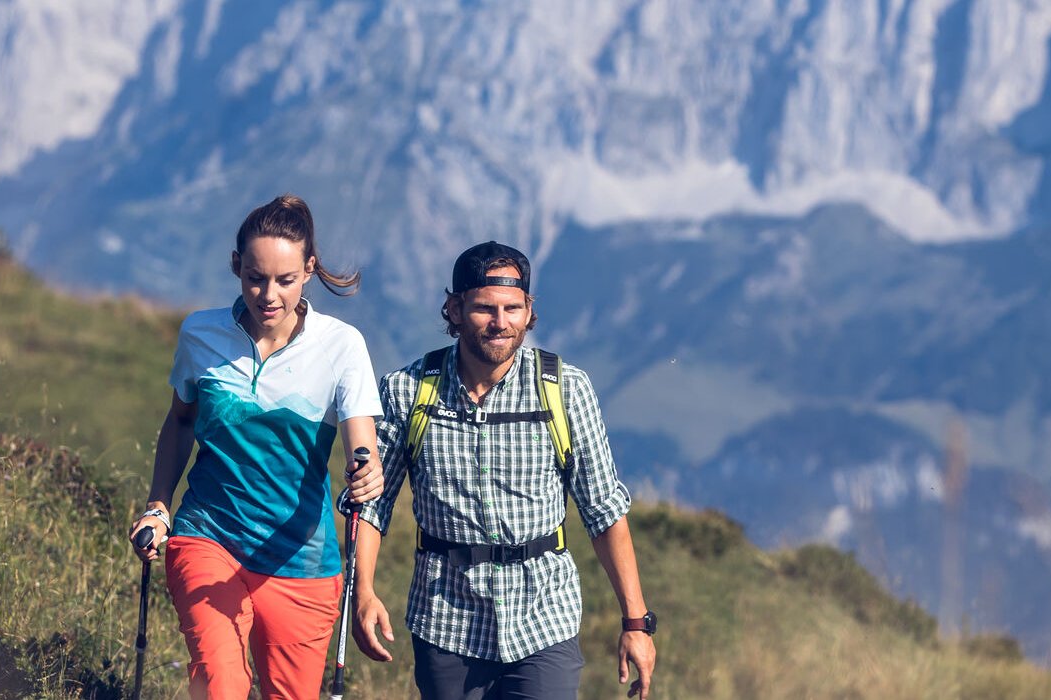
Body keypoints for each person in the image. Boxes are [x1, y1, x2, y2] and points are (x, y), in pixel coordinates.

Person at [348, 241, 659, 699]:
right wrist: (364, 592)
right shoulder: (407, 390)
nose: (500, 323)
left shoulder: (565, 389)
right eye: (483, 309)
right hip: (445, 623)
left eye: (513, 308)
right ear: (453, 309)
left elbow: (604, 509)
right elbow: (372, 503)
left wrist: (636, 623)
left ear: (529, 310)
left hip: (544, 622)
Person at [127, 194, 384, 699]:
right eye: (254, 277)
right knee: (220, 684)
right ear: (235, 267)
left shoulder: (341, 345)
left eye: (285, 280)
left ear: (309, 270)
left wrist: (367, 471)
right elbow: (180, 422)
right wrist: (159, 505)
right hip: (209, 538)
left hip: (302, 564)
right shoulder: (201, 334)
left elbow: (362, 442)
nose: (268, 294)